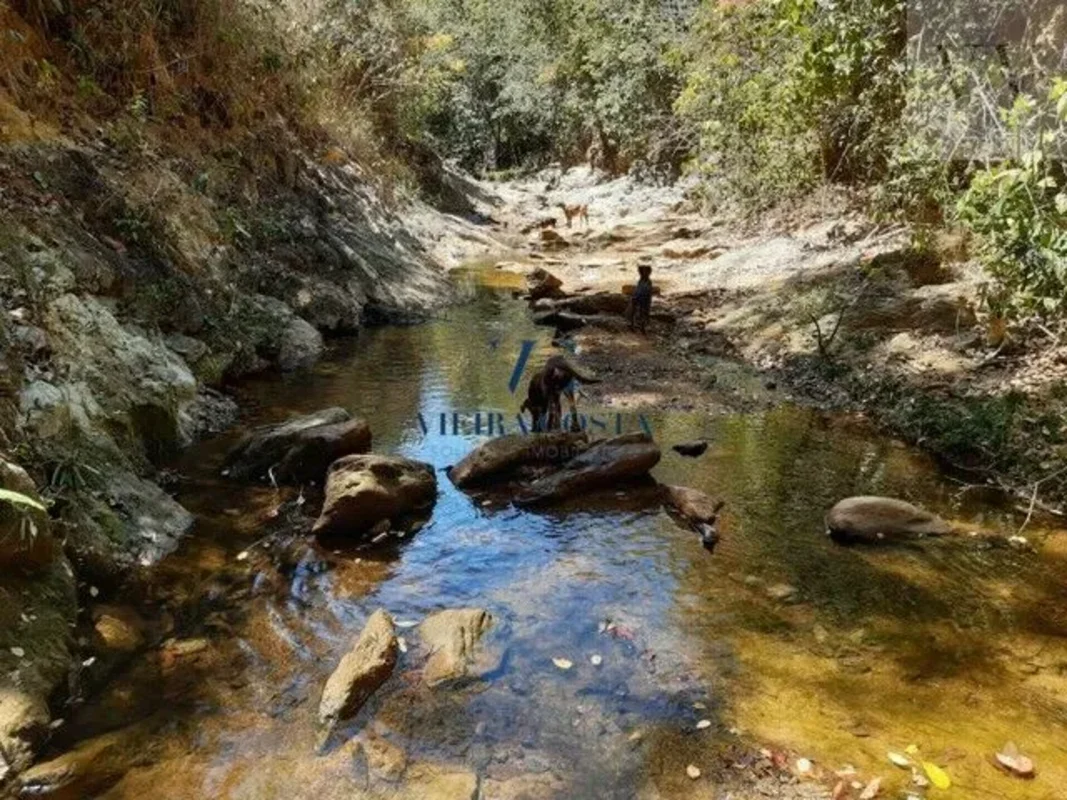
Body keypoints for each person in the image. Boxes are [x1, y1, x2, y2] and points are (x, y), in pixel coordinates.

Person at [627, 262, 653, 334]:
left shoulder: (646, 281)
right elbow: (640, 290)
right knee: (639, 313)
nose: (642, 273)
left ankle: (640, 327)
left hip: (642, 299)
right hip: (641, 298)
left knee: (641, 313)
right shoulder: (645, 281)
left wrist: (635, 297)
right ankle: (636, 326)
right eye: (641, 272)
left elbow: (642, 291)